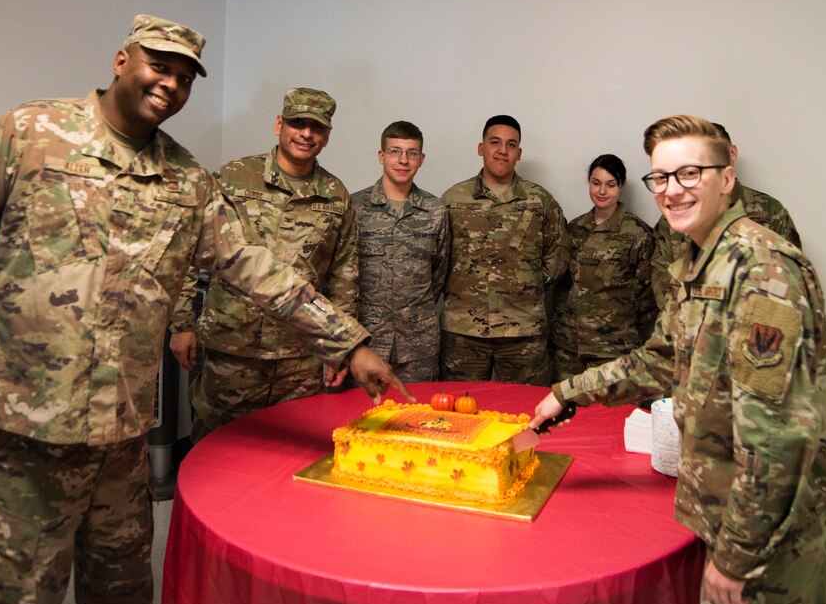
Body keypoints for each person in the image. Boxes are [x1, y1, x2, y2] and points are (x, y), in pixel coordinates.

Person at [0, 16, 406, 604]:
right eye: (159, 65)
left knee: (122, 601)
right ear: (121, 60)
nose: (170, 83)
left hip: (122, 431)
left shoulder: (186, 178)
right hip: (25, 432)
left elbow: (253, 266)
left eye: (185, 76)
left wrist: (348, 343)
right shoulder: (30, 133)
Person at [533, 115, 826, 604]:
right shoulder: (701, 260)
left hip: (769, 535)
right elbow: (660, 359)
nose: (672, 191)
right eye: (661, 177)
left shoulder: (762, 269)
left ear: (727, 177)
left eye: (690, 174)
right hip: (724, 513)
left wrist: (739, 554)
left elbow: (778, 438)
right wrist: (567, 393)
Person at [169, 88, 358, 444]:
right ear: (278, 125)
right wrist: (181, 323)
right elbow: (190, 247)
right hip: (233, 348)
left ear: (327, 137)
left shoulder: (335, 195)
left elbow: (344, 277)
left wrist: (338, 347)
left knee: (289, 454)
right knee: (217, 448)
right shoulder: (235, 176)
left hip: (299, 356)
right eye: (297, 123)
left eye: (316, 128)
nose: (305, 134)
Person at [440, 115, 570, 384]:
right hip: (464, 330)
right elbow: (437, 255)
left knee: (526, 413)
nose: (502, 150)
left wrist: (538, 282)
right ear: (481, 148)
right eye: (495, 142)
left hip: (522, 330)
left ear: (519, 153)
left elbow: (560, 248)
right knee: (461, 414)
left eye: (511, 145)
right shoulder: (454, 199)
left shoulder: (539, 200)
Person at [650, 122, 802, 306]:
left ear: (732, 154)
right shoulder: (676, 212)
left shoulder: (769, 211)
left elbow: (791, 277)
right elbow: (660, 276)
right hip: (686, 324)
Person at [351, 120, 450, 382]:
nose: (403, 160)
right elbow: (341, 274)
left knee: (418, 419)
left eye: (411, 152)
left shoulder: (435, 210)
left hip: (419, 346)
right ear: (381, 156)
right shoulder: (354, 207)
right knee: (359, 418)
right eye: (395, 151)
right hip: (366, 343)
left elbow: (439, 274)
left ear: (421, 158)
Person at [550, 154, 656, 380]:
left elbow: (647, 295)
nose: (602, 191)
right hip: (570, 347)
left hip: (614, 349)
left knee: (611, 415)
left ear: (622, 186)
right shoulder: (575, 228)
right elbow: (563, 284)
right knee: (567, 413)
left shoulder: (637, 233)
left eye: (610, 185)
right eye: (596, 183)